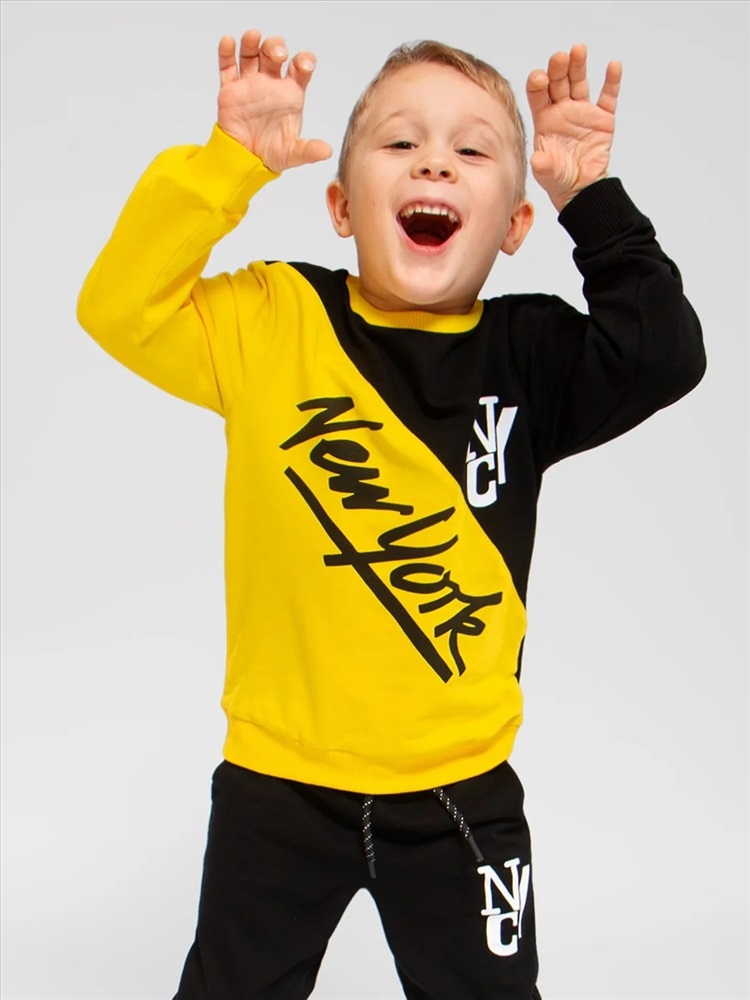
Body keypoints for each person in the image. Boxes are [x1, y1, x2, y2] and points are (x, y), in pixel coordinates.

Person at [76, 29, 705, 1000]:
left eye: (472, 149)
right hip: (276, 787)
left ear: (514, 225)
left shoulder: (529, 355)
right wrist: (227, 166)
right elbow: (117, 306)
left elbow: (666, 352)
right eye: (402, 143)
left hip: (461, 797)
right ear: (340, 205)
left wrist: (589, 197)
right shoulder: (274, 319)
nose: (434, 163)